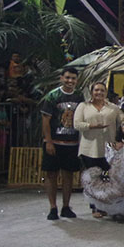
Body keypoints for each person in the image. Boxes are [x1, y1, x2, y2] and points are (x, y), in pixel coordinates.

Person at [40, 67, 84, 220]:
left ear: (77, 80)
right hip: (54, 141)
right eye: (67, 78)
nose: (70, 81)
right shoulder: (52, 96)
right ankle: (53, 207)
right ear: (61, 78)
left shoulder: (79, 96)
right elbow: (45, 120)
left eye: (73, 78)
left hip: (72, 143)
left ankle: (66, 206)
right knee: (51, 174)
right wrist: (49, 141)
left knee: (68, 175)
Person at [73, 81, 121, 217]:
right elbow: (76, 124)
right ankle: (94, 207)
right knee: (93, 179)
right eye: (96, 90)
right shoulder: (83, 106)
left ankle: (106, 205)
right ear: (91, 92)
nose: (99, 93)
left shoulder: (113, 108)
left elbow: (122, 122)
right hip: (89, 148)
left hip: (108, 149)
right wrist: (91, 126)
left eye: (102, 90)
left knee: (107, 179)